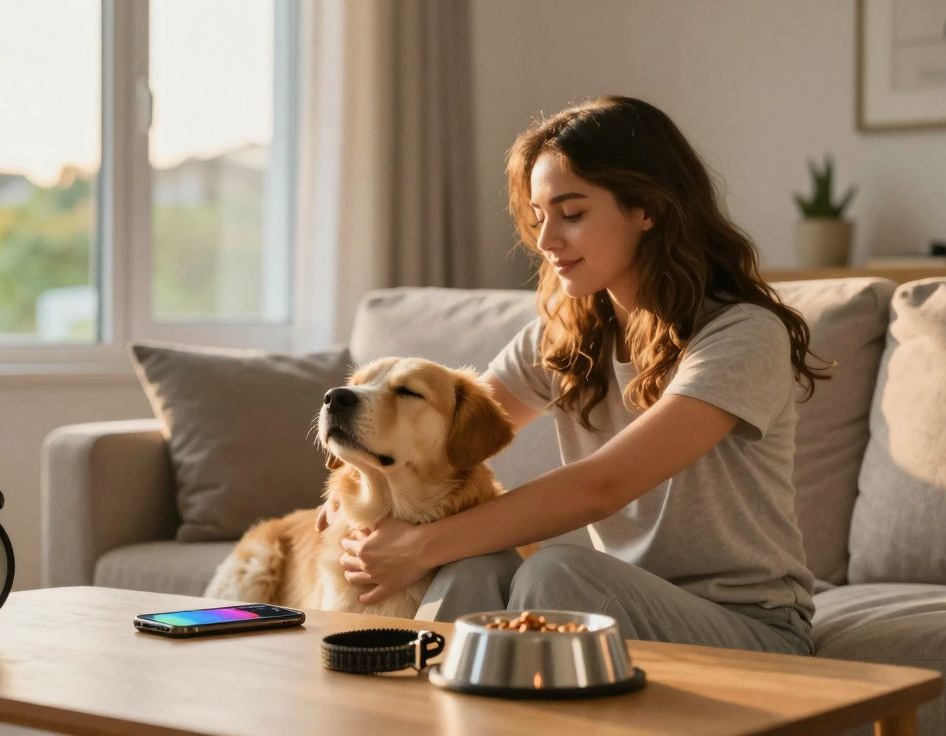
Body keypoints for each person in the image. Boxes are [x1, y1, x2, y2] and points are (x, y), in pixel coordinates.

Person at [320, 95, 829, 656]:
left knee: (556, 574)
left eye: (572, 213)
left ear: (647, 208)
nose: (546, 241)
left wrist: (418, 548)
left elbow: (601, 487)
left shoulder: (743, 334)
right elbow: (445, 431)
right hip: (618, 611)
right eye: (539, 218)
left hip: (751, 629)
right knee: (475, 563)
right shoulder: (565, 336)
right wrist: (358, 489)